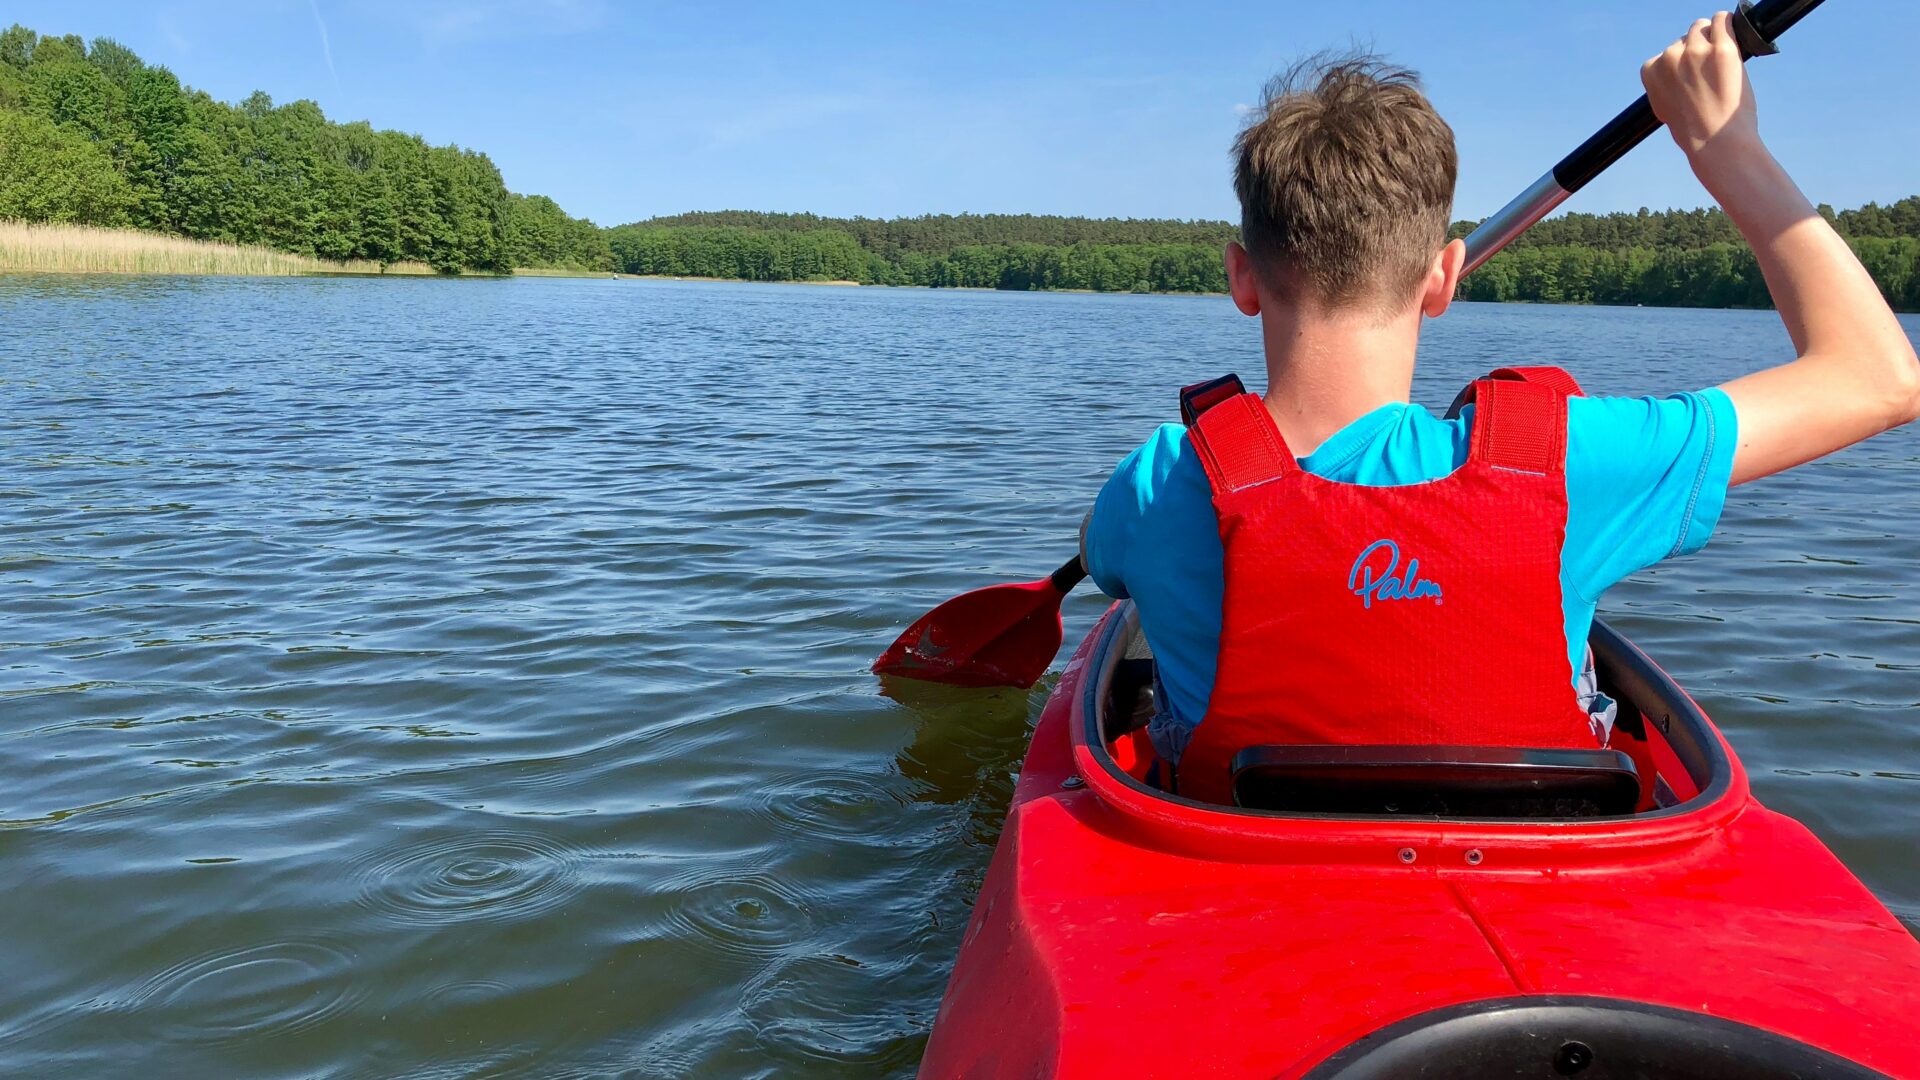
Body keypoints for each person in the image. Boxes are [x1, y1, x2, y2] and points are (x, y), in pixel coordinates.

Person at [1080, 13, 1920, 804]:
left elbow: (1102, 556)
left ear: (1242, 277)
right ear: (1443, 277)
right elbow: (1880, 379)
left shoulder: (1156, 484)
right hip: (1532, 877)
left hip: (1244, 865)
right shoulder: (1571, 462)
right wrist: (1725, 147)